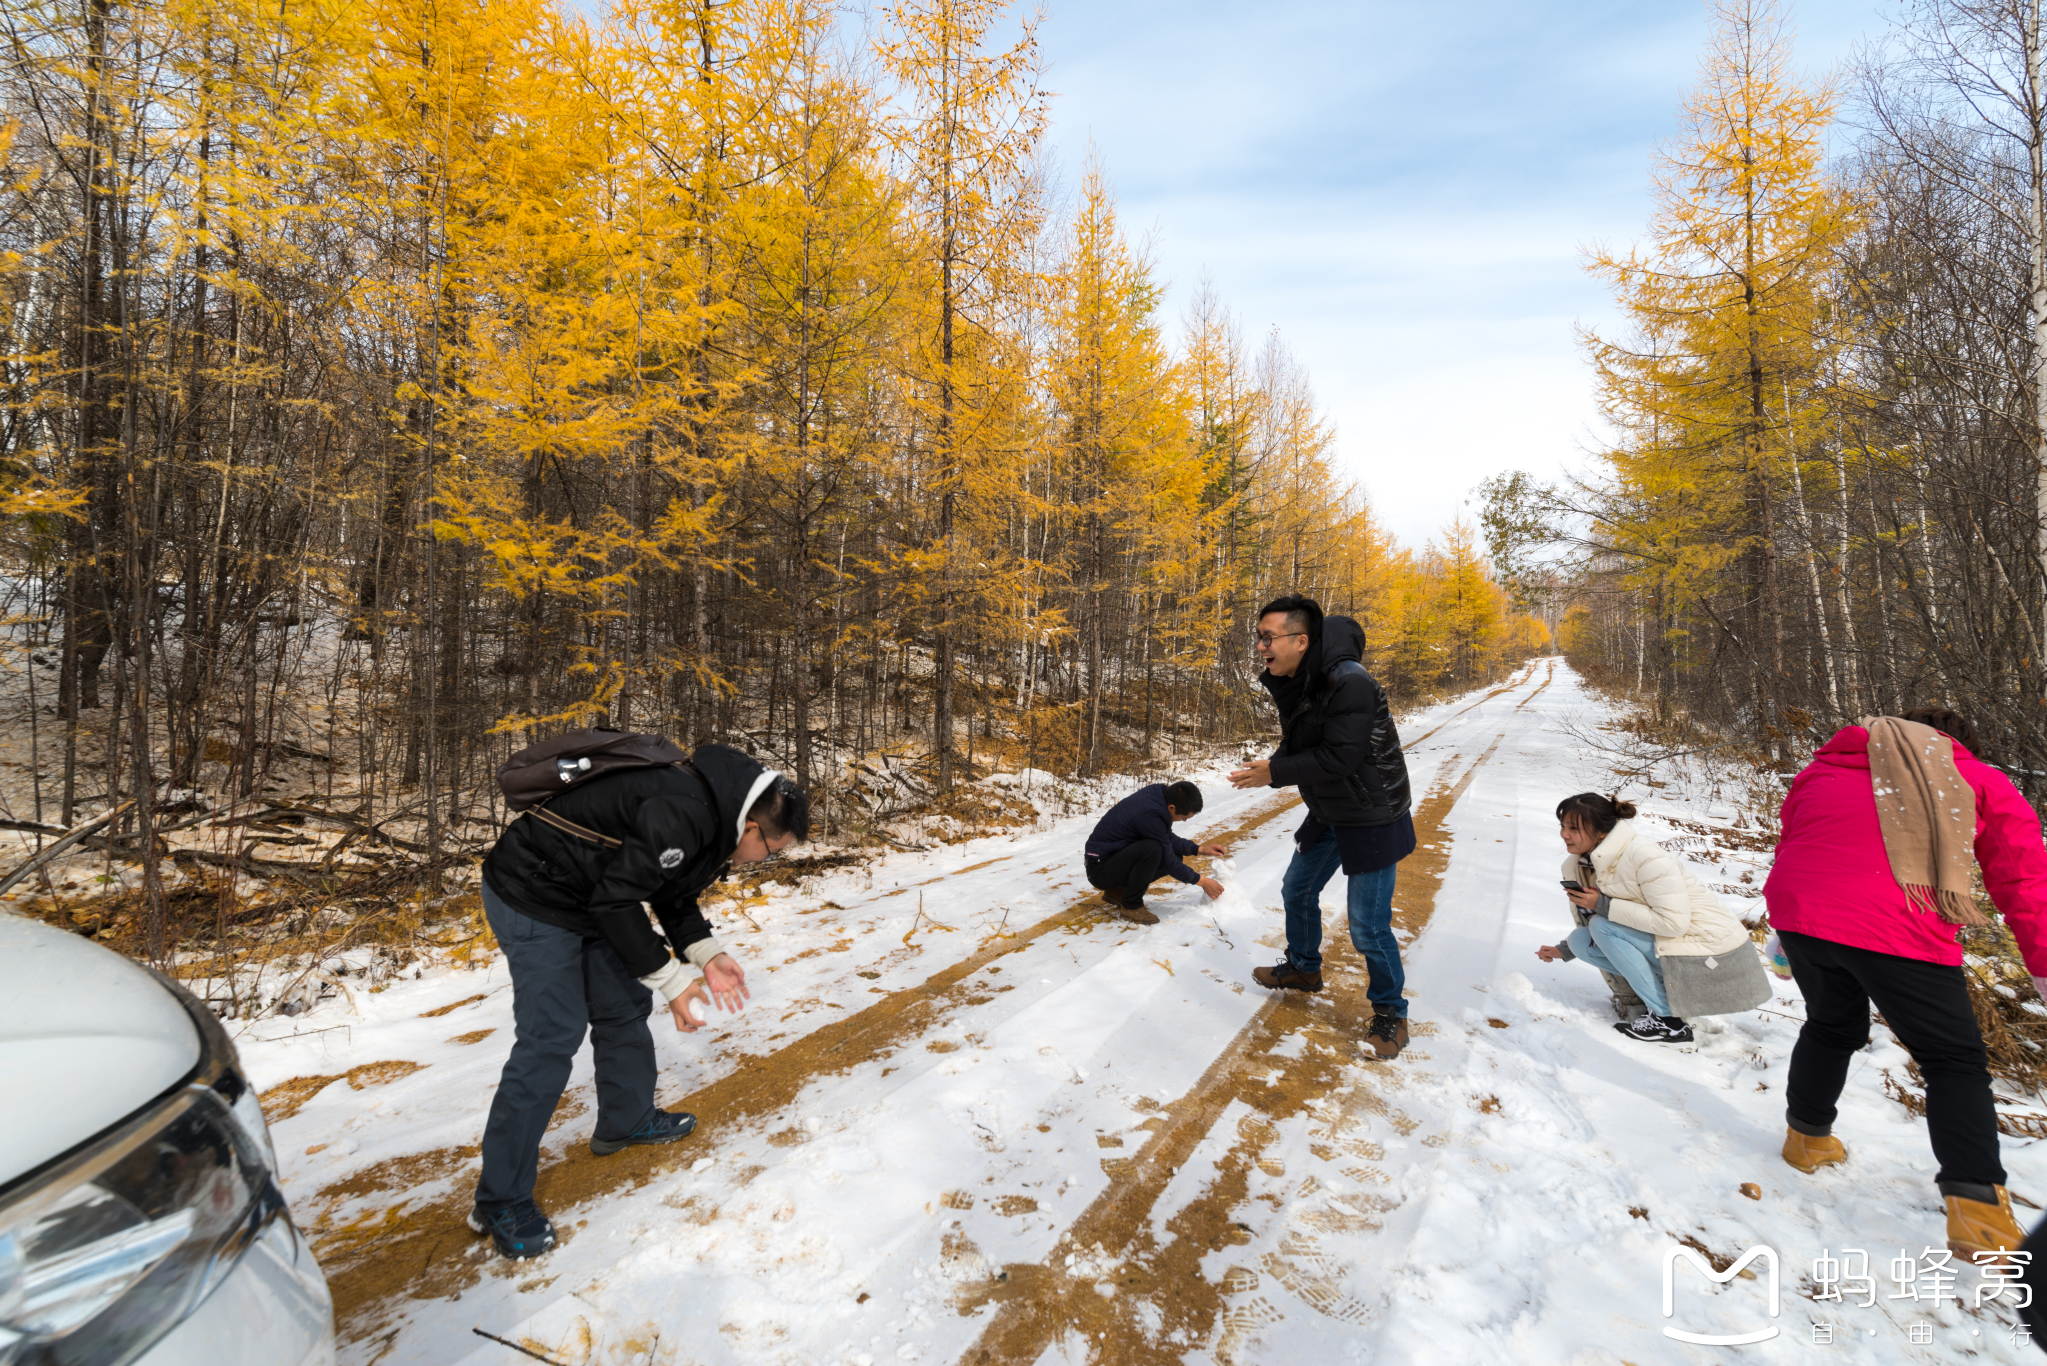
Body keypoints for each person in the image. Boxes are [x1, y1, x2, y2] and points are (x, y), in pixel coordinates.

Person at [469, 742, 809, 1258]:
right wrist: (673, 982)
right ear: (753, 830)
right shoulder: (685, 809)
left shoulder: (714, 810)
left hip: (593, 895)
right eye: (774, 850)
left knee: (622, 1005)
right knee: (551, 1038)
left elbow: (668, 888)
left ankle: (624, 1122)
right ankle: (500, 1199)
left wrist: (707, 953)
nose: (768, 860)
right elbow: (620, 900)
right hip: (533, 894)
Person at [1764, 707, 2047, 1263]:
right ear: (1959, 744)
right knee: (1952, 1059)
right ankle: (1978, 1212)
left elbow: (1795, 841)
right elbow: (2022, 878)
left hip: (1802, 914)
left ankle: (1806, 1140)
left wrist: (1784, 929)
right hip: (1898, 923)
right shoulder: (1978, 779)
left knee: (1830, 1024)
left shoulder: (1821, 771)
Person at [1228, 594, 1416, 1060]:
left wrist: (1274, 772)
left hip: (1372, 814)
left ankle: (1391, 1013)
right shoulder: (1300, 678)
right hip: (1333, 808)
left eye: (1268, 637)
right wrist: (1274, 763)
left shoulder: (1349, 682)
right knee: (1297, 889)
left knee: (1368, 928)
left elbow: (1341, 756)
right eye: (1259, 637)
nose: (1260, 646)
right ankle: (1304, 968)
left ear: (1301, 640)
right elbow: (1310, 741)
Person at [1535, 793, 1766, 1044]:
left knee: (1602, 926)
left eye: (1574, 828)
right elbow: (1609, 922)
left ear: (1601, 832)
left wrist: (1602, 904)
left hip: (1712, 954)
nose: (1564, 835)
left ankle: (1670, 1023)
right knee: (1581, 940)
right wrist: (1565, 950)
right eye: (1563, 826)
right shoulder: (1580, 864)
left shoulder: (1643, 856)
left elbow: (1673, 923)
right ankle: (1666, 1002)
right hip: (1673, 947)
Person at [1083, 779, 1227, 924]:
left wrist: (1199, 850)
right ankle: (1131, 906)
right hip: (1100, 870)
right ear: (1171, 807)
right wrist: (1203, 882)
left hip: (1112, 860)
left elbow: (1165, 837)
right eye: (1184, 817)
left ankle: (1118, 892)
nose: (1184, 821)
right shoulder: (1150, 814)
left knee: (1173, 856)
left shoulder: (1160, 795)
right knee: (1153, 850)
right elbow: (1167, 859)